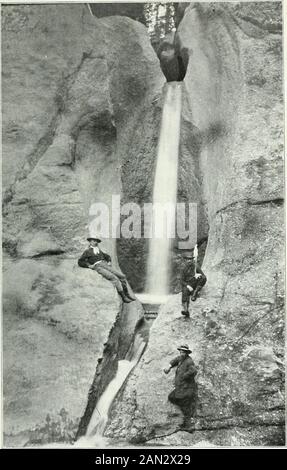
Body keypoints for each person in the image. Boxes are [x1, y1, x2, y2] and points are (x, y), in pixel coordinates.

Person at [78, 237, 135, 303]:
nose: (95, 242)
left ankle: (127, 294)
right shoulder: (87, 251)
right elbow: (80, 262)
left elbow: (107, 256)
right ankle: (123, 297)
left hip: (105, 265)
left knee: (122, 276)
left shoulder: (99, 250)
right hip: (98, 267)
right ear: (90, 242)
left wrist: (109, 261)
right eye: (93, 241)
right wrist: (89, 265)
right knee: (114, 278)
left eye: (96, 241)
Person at [164, 344, 198, 430]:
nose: (181, 353)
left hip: (187, 387)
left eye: (183, 352)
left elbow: (193, 371)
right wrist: (169, 366)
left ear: (187, 353)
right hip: (181, 387)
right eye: (181, 352)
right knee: (172, 397)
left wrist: (184, 376)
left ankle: (189, 426)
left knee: (185, 404)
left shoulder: (189, 361)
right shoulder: (181, 358)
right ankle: (187, 420)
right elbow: (175, 360)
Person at [181, 251, 207, 317]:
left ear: (192, 260)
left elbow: (203, 275)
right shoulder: (183, 268)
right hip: (187, 284)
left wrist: (198, 274)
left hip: (194, 283)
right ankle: (186, 311)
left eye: (190, 259)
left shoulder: (195, 266)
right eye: (188, 259)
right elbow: (181, 280)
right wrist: (188, 286)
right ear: (186, 260)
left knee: (203, 278)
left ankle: (195, 293)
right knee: (185, 292)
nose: (189, 261)